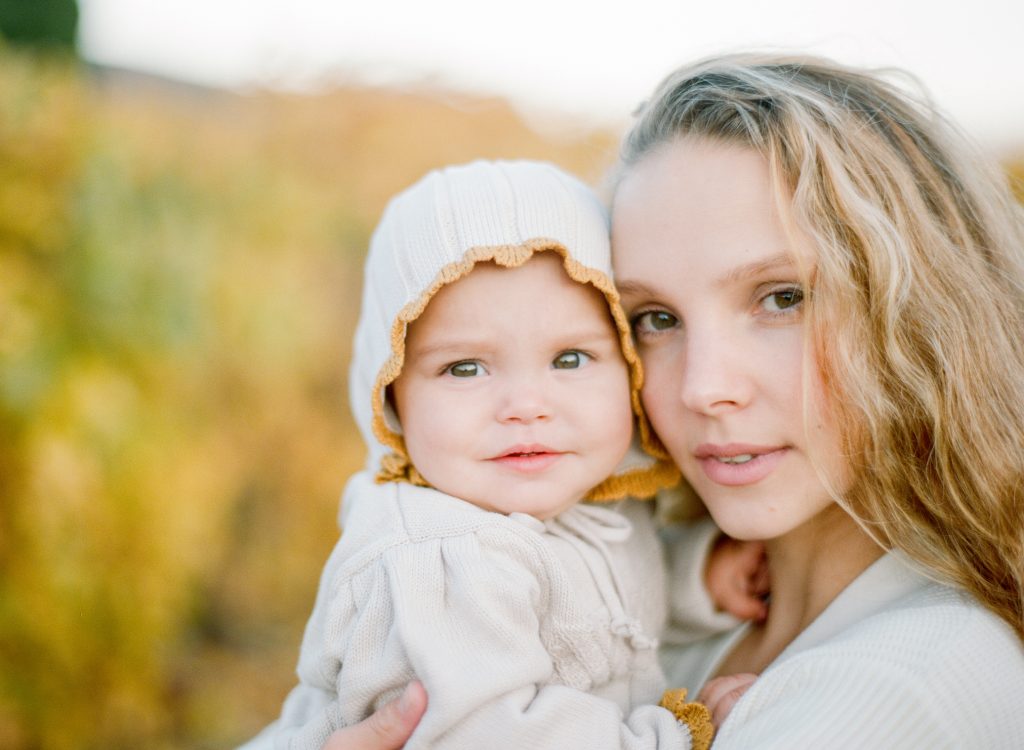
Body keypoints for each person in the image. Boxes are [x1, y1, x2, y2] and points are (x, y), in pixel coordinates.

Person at [327, 52, 1024, 749]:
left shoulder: (904, 690)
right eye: (654, 319)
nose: (703, 387)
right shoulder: (648, 581)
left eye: (782, 298)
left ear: (925, 311)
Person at [239, 160, 768, 750]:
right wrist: (674, 736)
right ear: (391, 399)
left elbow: (594, 620)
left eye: (569, 358)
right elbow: (489, 735)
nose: (525, 405)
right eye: (464, 368)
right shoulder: (435, 558)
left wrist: (698, 581)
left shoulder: (588, 503)